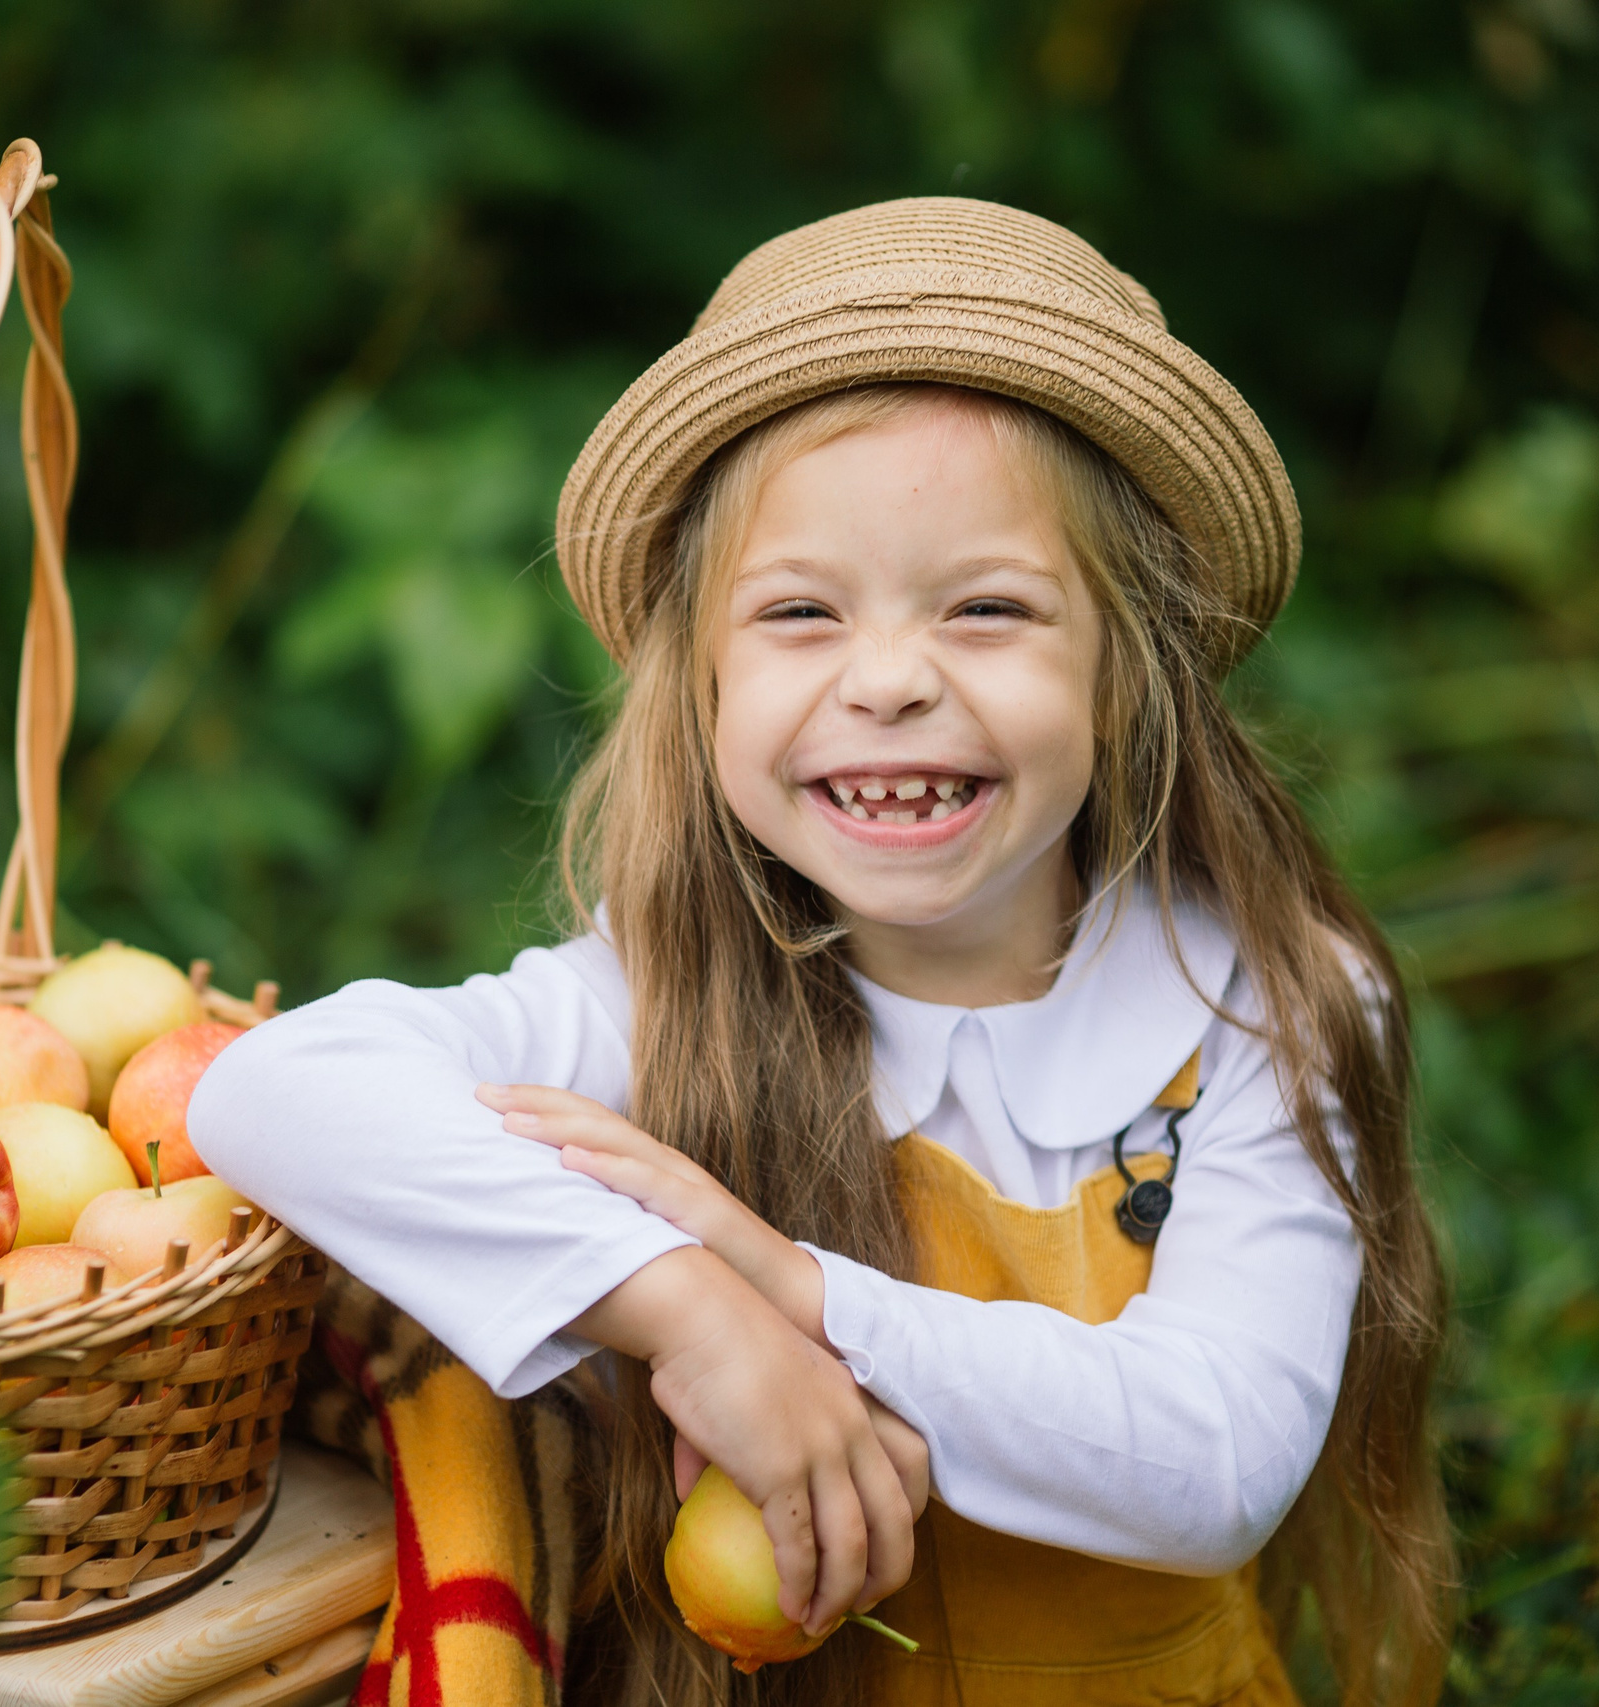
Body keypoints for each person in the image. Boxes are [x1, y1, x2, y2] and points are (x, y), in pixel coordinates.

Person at [191, 197, 1453, 1706]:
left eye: (989, 609)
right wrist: (692, 1314)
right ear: (706, 683)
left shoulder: (1260, 1009)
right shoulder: (664, 1000)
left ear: (1131, 674)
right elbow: (271, 1089)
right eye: (800, 612)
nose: (892, 681)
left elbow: (1215, 1461)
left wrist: (800, 1296)